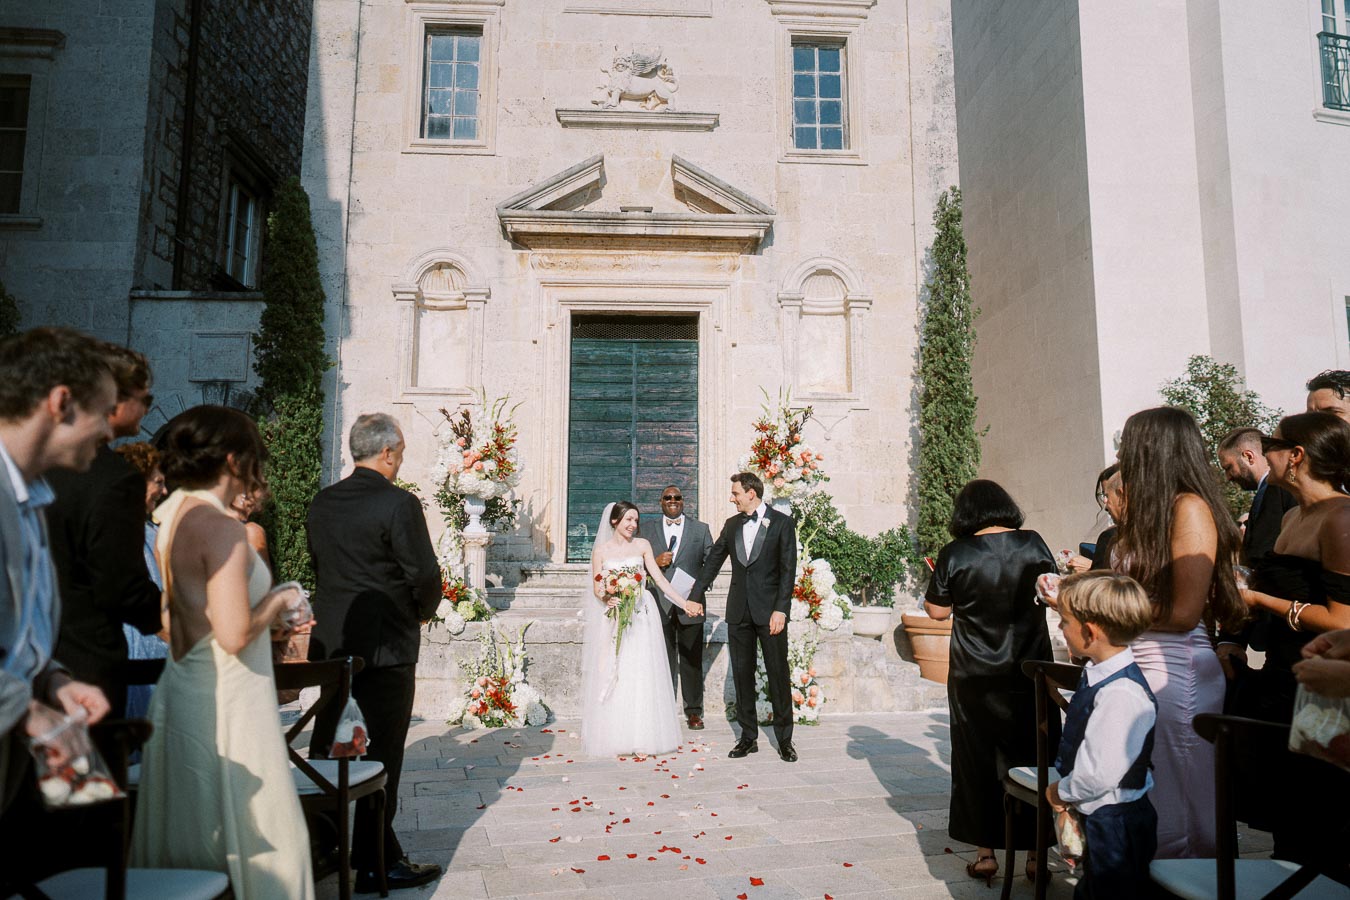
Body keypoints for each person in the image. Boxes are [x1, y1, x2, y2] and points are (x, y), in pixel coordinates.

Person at [129, 405, 314, 898]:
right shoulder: (222, 527)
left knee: (191, 834)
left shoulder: (170, 516)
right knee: (267, 837)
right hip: (231, 694)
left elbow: (175, 619)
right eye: (255, 461)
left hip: (185, 685)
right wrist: (281, 597)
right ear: (234, 460)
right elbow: (233, 636)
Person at [306, 412, 443, 893]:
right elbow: (424, 575)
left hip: (333, 648)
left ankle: (321, 851)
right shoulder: (398, 504)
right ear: (386, 453)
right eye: (400, 454)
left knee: (328, 751)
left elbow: (321, 566)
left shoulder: (322, 503)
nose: (400, 463)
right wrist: (422, 611)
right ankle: (377, 860)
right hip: (386, 649)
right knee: (381, 755)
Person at [0, 328, 115, 891]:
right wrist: (26, 708)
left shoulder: (34, 496)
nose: (113, 427)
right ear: (61, 402)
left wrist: (53, 680)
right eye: (107, 410)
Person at [1112, 406, 1245, 859]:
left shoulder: (1189, 509)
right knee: (1150, 788)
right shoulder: (1150, 512)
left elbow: (1185, 612)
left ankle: (1191, 883)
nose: (1120, 453)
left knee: (1182, 799)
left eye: (1127, 444)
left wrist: (1105, 608)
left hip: (1177, 672)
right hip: (1139, 662)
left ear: (1151, 450)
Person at [923, 479, 1059, 884]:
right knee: (1037, 754)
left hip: (975, 675)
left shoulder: (955, 553)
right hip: (1030, 670)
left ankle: (985, 854)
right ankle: (1036, 858)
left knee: (977, 760)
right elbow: (1051, 589)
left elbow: (935, 612)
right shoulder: (1034, 543)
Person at [46, 343, 163, 718]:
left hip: (37, 660)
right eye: (143, 398)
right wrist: (177, 625)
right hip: (86, 662)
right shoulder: (114, 479)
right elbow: (122, 586)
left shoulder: (41, 466)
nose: (146, 408)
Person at [1047, 572, 1159, 900]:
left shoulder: (1121, 693)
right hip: (1104, 818)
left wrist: (1061, 791)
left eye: (1064, 621)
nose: (1060, 628)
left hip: (1116, 825)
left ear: (1090, 631)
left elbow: (1099, 773)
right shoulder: (1101, 677)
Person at [690, 473, 799, 762]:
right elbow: (714, 559)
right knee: (741, 675)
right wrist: (694, 594)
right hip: (738, 612)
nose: (731, 497)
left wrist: (781, 610)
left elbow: (789, 571)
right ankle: (748, 737)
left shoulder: (782, 523)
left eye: (735, 492)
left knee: (778, 674)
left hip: (770, 613)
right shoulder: (731, 524)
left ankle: (785, 740)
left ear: (751, 493)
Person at [582, 501, 702, 756]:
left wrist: (685, 603)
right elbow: (597, 587)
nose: (633, 525)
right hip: (616, 617)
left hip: (641, 616)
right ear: (615, 521)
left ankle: (644, 737)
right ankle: (618, 736)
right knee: (618, 671)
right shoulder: (601, 551)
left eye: (636, 520)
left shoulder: (642, 545)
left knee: (642, 673)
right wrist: (607, 597)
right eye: (628, 520)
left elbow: (660, 581)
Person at [1214, 427, 1297, 691]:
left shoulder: (1277, 492)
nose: (1228, 477)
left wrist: (1234, 634)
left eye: (1228, 468)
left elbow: (1262, 564)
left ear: (1249, 456)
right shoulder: (1266, 494)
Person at [112, 441, 169, 720]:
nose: (165, 490)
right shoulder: (117, 529)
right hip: (130, 650)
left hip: (154, 648)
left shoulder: (149, 531)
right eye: (158, 482)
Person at [649, 484, 712, 730]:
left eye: (677, 497)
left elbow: (711, 563)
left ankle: (694, 712)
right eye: (668, 497)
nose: (672, 500)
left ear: (683, 501)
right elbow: (636, 563)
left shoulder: (701, 529)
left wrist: (698, 591)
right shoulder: (647, 529)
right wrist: (655, 561)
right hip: (659, 604)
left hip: (691, 605)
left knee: (691, 659)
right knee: (661, 660)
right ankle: (662, 710)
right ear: (661, 501)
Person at [1067, 465, 1122, 573]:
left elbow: (1104, 586)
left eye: (1107, 495)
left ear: (1122, 493)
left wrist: (1092, 571)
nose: (1106, 506)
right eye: (1103, 496)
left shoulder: (1110, 538)